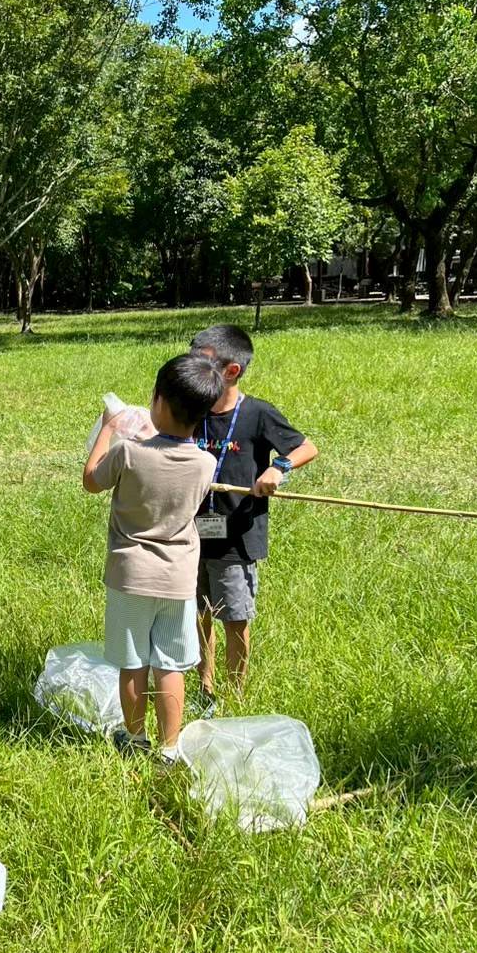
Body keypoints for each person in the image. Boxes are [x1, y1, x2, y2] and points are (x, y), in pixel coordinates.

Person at [83, 354, 222, 765]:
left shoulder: (128, 453)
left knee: (133, 663)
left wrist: (109, 429)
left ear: (158, 402)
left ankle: (134, 736)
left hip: (131, 576)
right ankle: (169, 747)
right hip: (178, 579)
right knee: (171, 664)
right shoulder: (206, 463)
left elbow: (91, 480)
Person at [188, 325, 319, 711]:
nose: (193, 363)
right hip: (190, 532)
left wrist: (278, 468)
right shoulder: (191, 410)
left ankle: (235, 695)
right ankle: (205, 688)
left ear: (231, 371)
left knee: (234, 617)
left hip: (236, 537)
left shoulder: (257, 414)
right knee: (198, 613)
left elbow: (306, 447)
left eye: (203, 358)